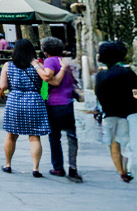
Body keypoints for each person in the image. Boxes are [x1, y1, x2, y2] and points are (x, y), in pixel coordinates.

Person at [0, 36, 51, 176]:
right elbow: (45, 80)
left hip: (15, 99)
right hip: (34, 100)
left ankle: (8, 164)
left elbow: (3, 86)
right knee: (34, 137)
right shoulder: (37, 65)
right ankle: (35, 168)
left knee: (11, 135)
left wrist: (4, 90)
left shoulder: (7, 66)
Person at [89, 39, 135, 183]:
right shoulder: (127, 73)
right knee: (127, 142)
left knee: (113, 143)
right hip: (128, 113)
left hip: (109, 114)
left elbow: (98, 94)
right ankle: (128, 168)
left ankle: (121, 171)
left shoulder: (100, 75)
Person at [40, 36, 81, 181]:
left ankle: (58, 167)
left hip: (54, 104)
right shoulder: (65, 62)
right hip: (68, 103)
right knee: (71, 136)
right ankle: (73, 167)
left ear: (45, 51)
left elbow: (49, 77)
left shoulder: (49, 61)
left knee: (54, 137)